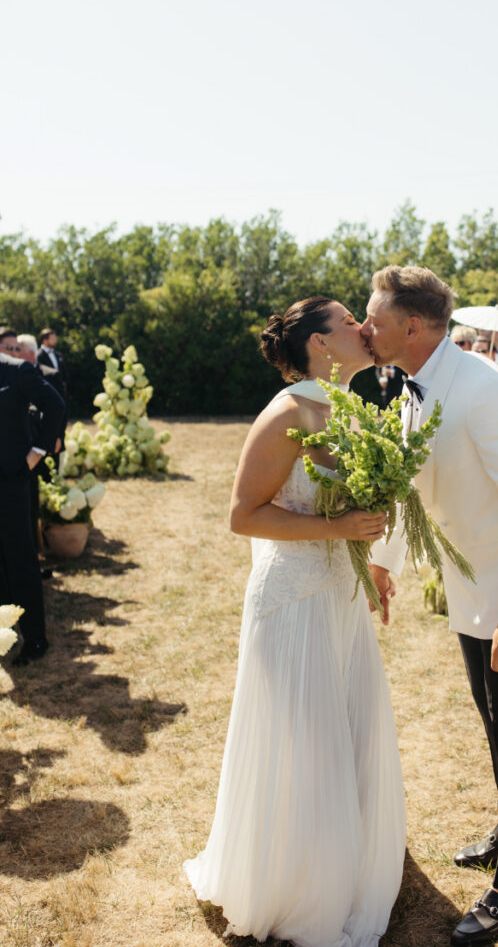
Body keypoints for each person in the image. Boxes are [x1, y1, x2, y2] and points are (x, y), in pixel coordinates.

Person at [360, 267, 498, 947]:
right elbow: (412, 479)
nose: (365, 331)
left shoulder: (485, 392)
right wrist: (383, 562)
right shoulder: (417, 382)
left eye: (373, 320)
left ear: (413, 327)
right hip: (468, 586)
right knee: (493, 718)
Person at [184, 297, 406, 947]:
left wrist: (367, 560)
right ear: (318, 344)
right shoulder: (288, 412)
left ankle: (344, 858)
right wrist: (336, 528)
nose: (362, 329)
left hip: (338, 591)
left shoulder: (350, 410)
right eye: (346, 322)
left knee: (340, 727)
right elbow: (242, 515)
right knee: (302, 740)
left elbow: (352, 502)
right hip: (292, 599)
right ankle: (294, 883)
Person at [0, 330, 64, 664]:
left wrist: (35, 452)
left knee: (20, 560)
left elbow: (55, 405)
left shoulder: (16, 371)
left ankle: (35, 640)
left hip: (11, 481)